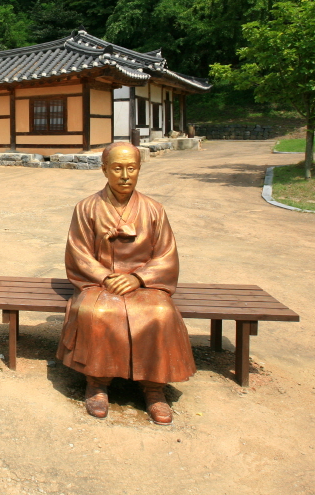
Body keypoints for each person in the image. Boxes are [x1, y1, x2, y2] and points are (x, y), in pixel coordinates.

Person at [56, 141, 196, 424]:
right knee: (98, 312)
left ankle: (155, 388)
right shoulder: (86, 208)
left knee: (160, 313)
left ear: (139, 169)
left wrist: (138, 277)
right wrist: (106, 277)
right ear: (104, 169)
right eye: (117, 168)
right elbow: (78, 254)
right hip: (99, 283)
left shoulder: (154, 210)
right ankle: (97, 383)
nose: (124, 175)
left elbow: (167, 255)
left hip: (145, 284)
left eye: (131, 168)